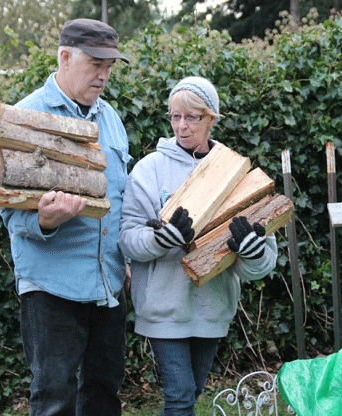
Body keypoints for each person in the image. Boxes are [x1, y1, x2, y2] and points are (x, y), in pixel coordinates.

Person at [118, 76, 278, 415]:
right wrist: (159, 240)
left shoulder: (235, 172)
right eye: (175, 117)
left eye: (192, 117)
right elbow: (128, 239)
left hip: (211, 309)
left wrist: (252, 250)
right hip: (163, 308)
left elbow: (263, 260)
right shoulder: (149, 171)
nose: (182, 126)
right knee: (180, 397)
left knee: (193, 392)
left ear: (212, 118)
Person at [0, 18, 131, 415]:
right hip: (51, 289)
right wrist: (45, 221)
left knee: (104, 393)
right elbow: (9, 213)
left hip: (108, 283)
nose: (104, 76)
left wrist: (124, 257)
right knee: (54, 398)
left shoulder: (111, 119)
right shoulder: (24, 118)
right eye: (95, 65)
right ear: (65, 57)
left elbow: (121, 198)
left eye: (109, 67)